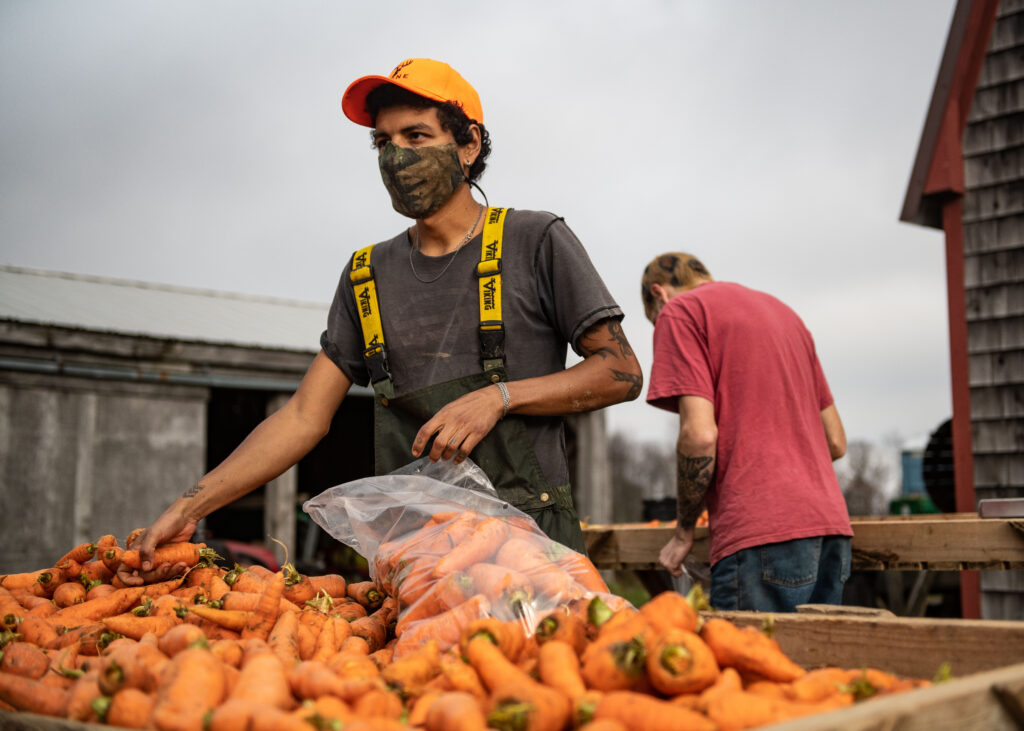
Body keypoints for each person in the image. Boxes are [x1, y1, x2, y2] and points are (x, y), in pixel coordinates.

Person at [119, 58, 642, 583]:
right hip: (418, 560)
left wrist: (499, 397)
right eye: (382, 141)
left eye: (416, 135)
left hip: (529, 557)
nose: (395, 156)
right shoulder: (366, 275)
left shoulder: (535, 241)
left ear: (468, 145)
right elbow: (303, 416)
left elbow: (620, 371)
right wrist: (190, 506)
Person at [641, 252, 852, 612]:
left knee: (751, 664)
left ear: (659, 294)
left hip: (760, 537)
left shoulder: (680, 312)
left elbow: (700, 435)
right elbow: (835, 442)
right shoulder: (786, 315)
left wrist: (683, 533)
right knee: (815, 666)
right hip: (831, 530)